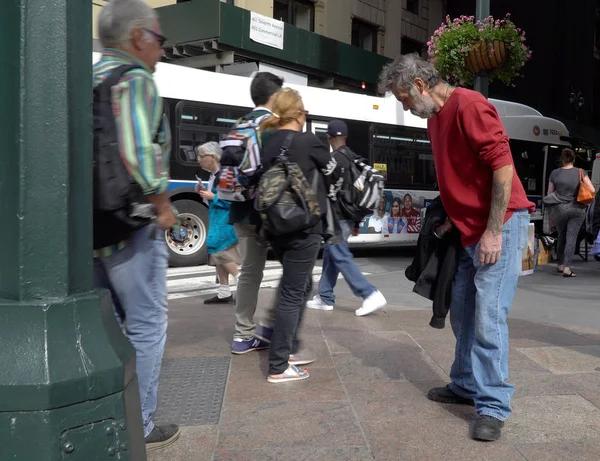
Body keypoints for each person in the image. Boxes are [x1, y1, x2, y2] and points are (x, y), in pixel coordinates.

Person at [378, 53, 534, 442]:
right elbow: (459, 174)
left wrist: (494, 232)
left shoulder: (469, 104)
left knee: (487, 316)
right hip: (466, 228)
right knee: (462, 311)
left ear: (419, 85)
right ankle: (465, 383)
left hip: (500, 224)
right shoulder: (435, 117)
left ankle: (493, 405)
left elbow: (502, 167)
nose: (406, 107)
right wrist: (451, 218)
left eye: (404, 99)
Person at [93, 0, 180, 451]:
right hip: (131, 224)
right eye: (160, 40)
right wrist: (163, 205)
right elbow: (138, 151)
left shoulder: (88, 78)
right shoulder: (137, 80)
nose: (163, 51)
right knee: (147, 322)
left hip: (92, 228)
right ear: (138, 37)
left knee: (105, 322)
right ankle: (139, 424)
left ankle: (103, 412)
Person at [260, 88, 340, 383]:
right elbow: (332, 170)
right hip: (304, 227)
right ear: (300, 113)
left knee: (299, 284)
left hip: (276, 227)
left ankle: (289, 345)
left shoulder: (268, 142)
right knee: (294, 294)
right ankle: (280, 364)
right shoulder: (310, 141)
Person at [306, 120, 387, 316]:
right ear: (346, 136)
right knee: (331, 255)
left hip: (338, 217)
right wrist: (357, 223)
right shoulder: (353, 157)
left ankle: (369, 293)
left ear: (329, 137)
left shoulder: (334, 160)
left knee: (339, 255)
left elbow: (328, 192)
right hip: (349, 217)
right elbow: (355, 193)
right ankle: (325, 297)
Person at [229, 72, 284, 355]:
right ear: (274, 96)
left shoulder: (238, 124)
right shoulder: (272, 124)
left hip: (240, 208)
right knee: (296, 269)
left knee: (249, 273)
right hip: (270, 211)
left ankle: (243, 334)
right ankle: (274, 325)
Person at [196, 142, 241, 303]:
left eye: (201, 156)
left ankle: (240, 280)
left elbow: (233, 200)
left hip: (225, 220)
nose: (199, 160)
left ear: (212, 157)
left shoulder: (224, 175)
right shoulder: (214, 176)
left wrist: (212, 196)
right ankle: (224, 292)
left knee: (218, 250)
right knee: (218, 255)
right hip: (217, 219)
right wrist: (205, 195)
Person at [547, 148, 595, 277]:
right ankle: (567, 268)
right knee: (571, 238)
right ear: (573, 159)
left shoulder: (554, 173)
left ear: (562, 159)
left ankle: (560, 265)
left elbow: (549, 194)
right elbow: (592, 189)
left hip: (559, 209)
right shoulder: (581, 172)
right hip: (577, 209)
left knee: (561, 236)